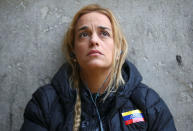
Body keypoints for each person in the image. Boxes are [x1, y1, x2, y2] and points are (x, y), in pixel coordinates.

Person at [20, 4, 176, 131]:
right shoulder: (45, 104)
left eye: (104, 33)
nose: (94, 40)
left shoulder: (148, 103)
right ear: (73, 50)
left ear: (118, 49)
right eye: (84, 34)